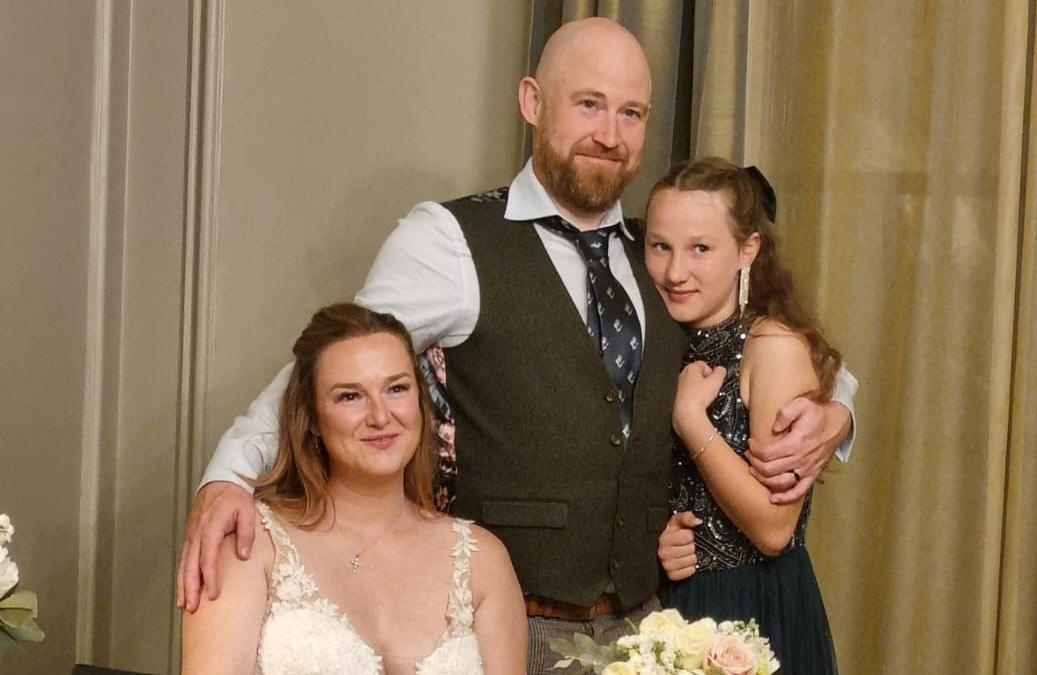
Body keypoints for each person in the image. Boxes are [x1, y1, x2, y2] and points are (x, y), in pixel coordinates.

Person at [178, 18, 857, 672]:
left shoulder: (662, 253)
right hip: (517, 627)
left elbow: (763, 338)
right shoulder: (450, 240)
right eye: (589, 105)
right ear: (532, 101)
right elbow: (333, 364)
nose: (610, 135)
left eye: (632, 114)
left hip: (655, 625)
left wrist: (839, 412)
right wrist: (227, 475)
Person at [182, 304, 526, 673]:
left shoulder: (483, 561)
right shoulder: (249, 546)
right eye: (350, 396)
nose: (380, 416)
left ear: (421, 403)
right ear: (312, 418)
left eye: (396, 388)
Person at [648, 159, 839, 673]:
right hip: (669, 610)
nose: (675, 271)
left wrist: (692, 421)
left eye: (701, 249)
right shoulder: (657, 343)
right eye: (660, 246)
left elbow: (775, 528)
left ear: (747, 250)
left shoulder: (771, 345)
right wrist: (654, 539)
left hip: (757, 608)